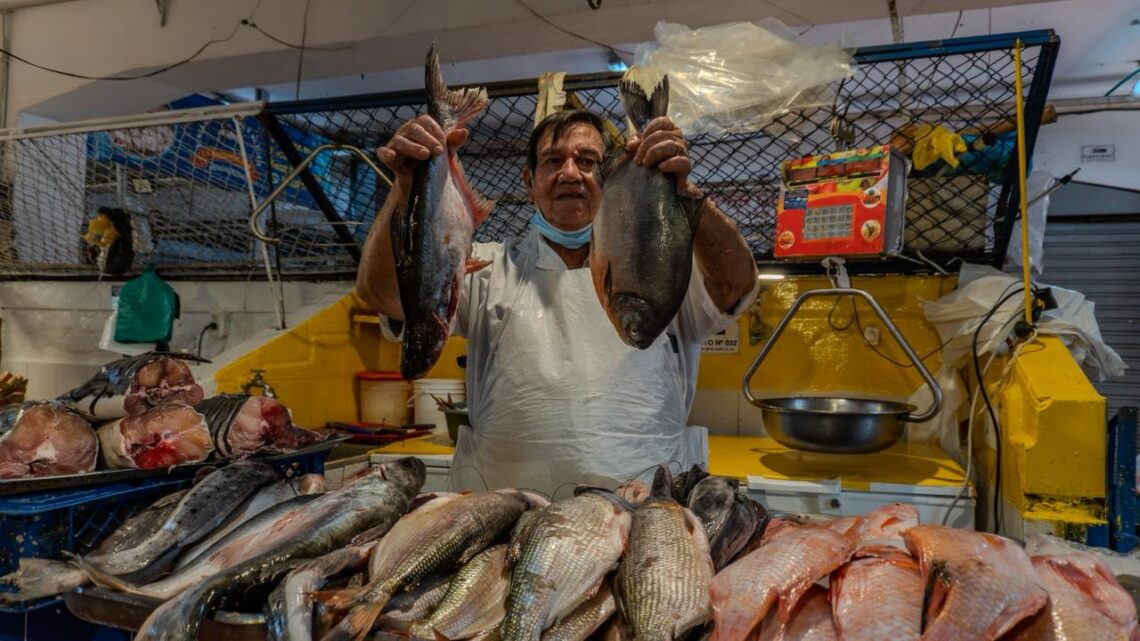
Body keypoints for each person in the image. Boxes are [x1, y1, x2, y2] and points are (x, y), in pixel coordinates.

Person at [357, 107, 758, 498]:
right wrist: (405, 188)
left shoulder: (662, 264)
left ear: (613, 176)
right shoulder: (485, 268)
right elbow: (385, 296)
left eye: (587, 161)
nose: (570, 172)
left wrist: (686, 194)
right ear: (529, 182)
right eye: (553, 161)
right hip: (503, 520)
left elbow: (735, 288)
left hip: (644, 521)